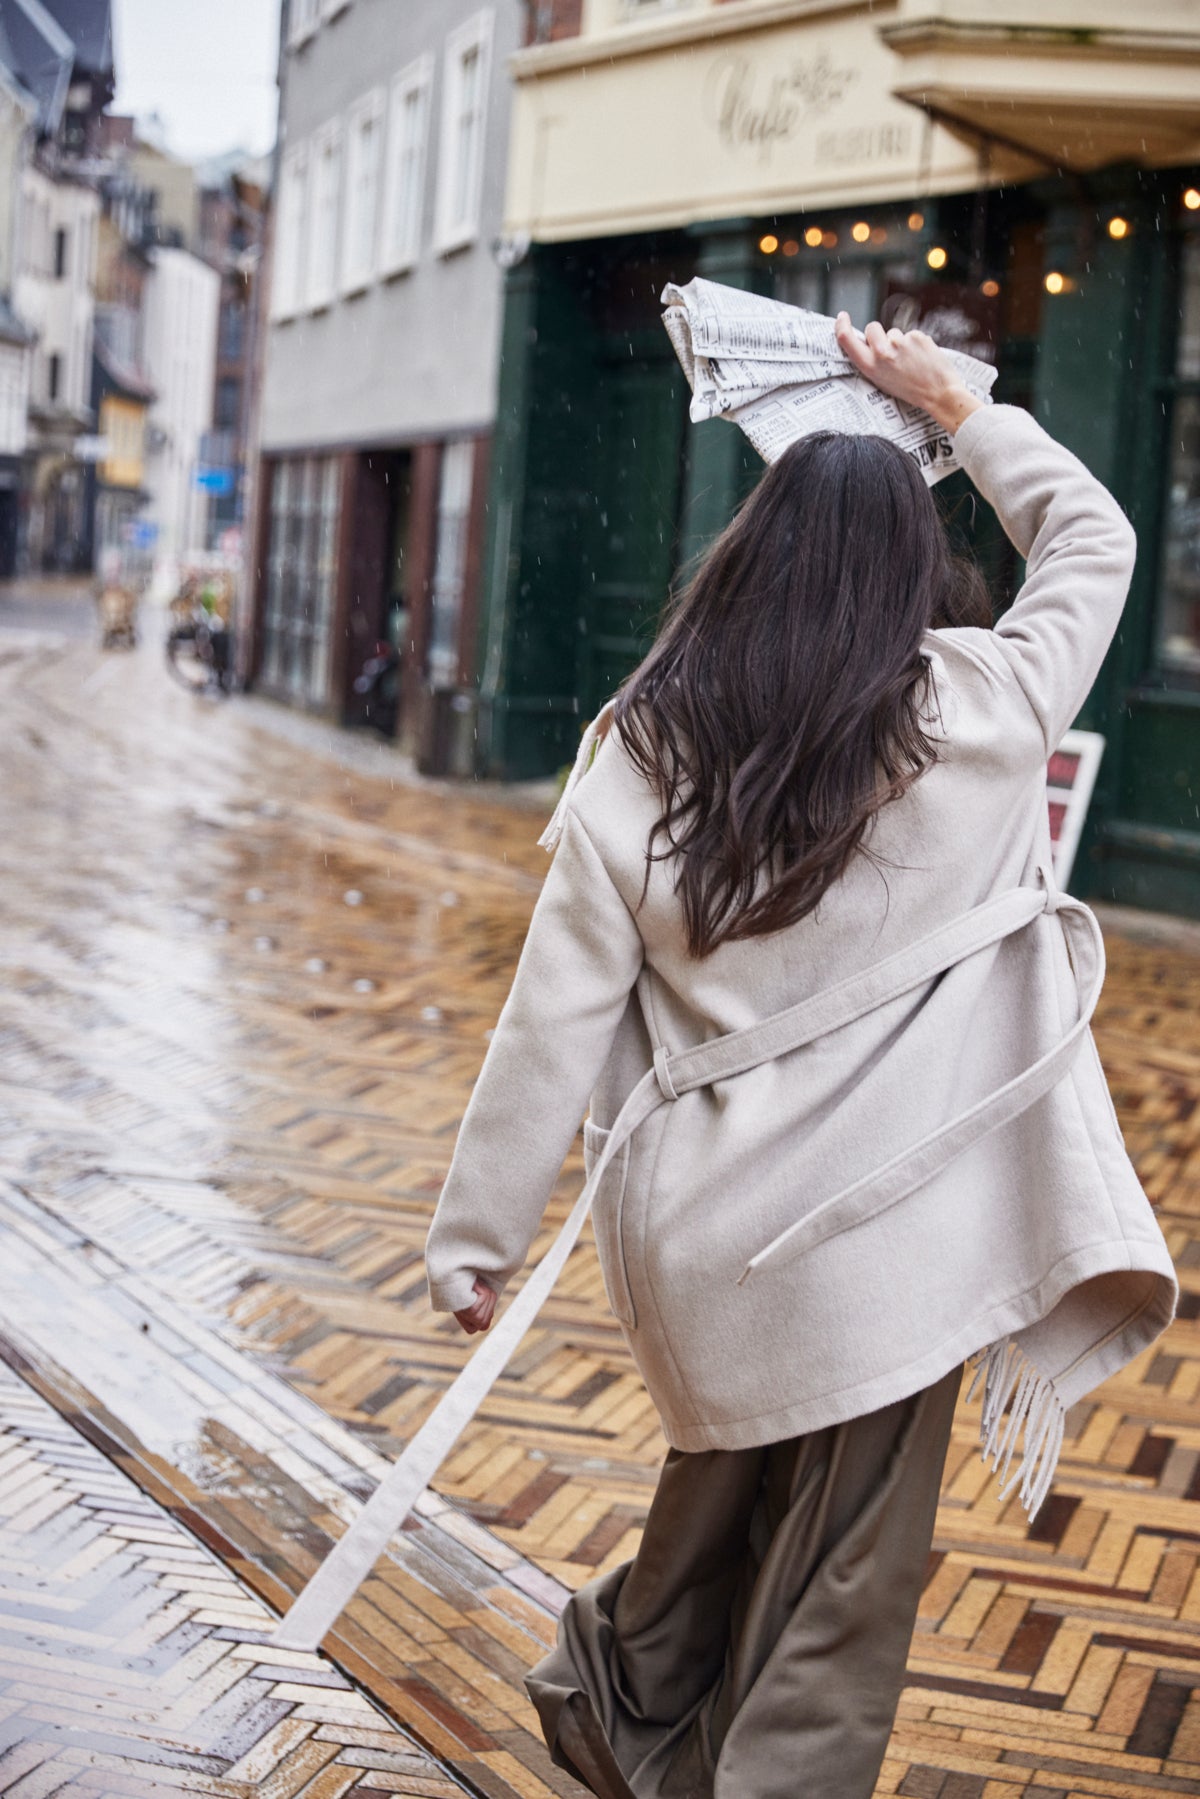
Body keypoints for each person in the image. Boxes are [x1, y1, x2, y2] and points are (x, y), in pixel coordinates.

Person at [424, 318, 1177, 1799]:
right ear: (913, 568)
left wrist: (475, 1238)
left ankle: (616, 1692)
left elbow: (551, 1020)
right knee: (839, 1586)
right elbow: (1091, 534)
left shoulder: (641, 744)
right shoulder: (985, 705)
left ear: (746, 553)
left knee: (717, 1501)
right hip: (888, 1243)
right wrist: (960, 405)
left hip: (705, 1247)